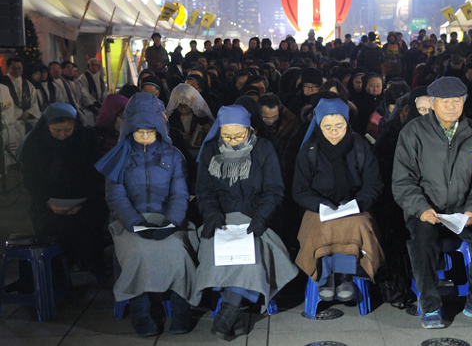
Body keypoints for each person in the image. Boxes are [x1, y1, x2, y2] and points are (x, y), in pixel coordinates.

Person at [392, 77, 472, 329]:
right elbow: (402, 180)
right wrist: (421, 209)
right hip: (425, 211)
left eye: (457, 101)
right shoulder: (413, 132)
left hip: (462, 211)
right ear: (432, 103)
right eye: (445, 101)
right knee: (421, 240)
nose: (451, 106)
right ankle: (430, 306)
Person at [95, 93, 197, 337]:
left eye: (149, 132)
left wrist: (171, 222)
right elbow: (116, 197)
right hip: (130, 222)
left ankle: (181, 312)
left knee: (178, 252)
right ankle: (141, 313)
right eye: (138, 131)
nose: (144, 137)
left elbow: (179, 195)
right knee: (137, 253)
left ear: (159, 129)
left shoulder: (174, 156)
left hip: (168, 220)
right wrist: (135, 223)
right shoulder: (119, 156)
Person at [194, 105, 298, 340]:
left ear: (250, 130)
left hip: (256, 220)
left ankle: (229, 308)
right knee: (213, 254)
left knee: (252, 255)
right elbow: (204, 192)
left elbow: (274, 190)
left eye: (239, 135)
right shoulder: (210, 150)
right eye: (227, 136)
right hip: (221, 222)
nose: (232, 141)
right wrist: (212, 215)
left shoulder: (264, 150)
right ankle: (237, 312)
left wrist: (261, 218)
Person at [293, 98, 384, 303]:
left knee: (355, 224)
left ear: (347, 124)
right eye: (328, 127)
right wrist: (321, 205)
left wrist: (357, 204)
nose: (334, 132)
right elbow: (299, 190)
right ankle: (325, 278)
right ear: (319, 126)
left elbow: (374, 184)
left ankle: (344, 277)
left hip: (354, 206)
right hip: (318, 208)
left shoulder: (360, 147)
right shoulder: (309, 151)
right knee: (321, 227)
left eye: (339, 126)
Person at [17, 103, 107, 279]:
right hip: (47, 203)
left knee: (90, 223)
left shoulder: (87, 138)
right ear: (47, 125)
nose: (63, 134)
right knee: (51, 229)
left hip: (85, 200)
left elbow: (96, 174)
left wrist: (82, 201)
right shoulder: (36, 143)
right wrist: (48, 203)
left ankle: (91, 266)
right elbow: (31, 180)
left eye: (68, 129)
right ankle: (57, 275)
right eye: (57, 130)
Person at [1, 56, 42, 131]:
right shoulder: (3, 84)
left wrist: (28, 113)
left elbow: (34, 102)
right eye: (14, 68)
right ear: (8, 68)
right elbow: (5, 104)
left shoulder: (28, 84)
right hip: (12, 117)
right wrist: (19, 114)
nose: (17, 70)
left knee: (38, 126)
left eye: (19, 68)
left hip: (28, 116)